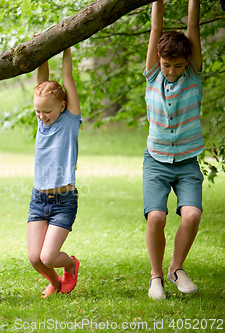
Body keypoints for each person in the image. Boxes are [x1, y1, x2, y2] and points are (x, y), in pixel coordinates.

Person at [143, 0, 204, 300]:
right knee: (156, 217)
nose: (171, 71)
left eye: (178, 65)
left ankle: (176, 269)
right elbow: (156, 27)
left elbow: (193, 28)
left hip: (187, 161)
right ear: (159, 59)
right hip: (156, 160)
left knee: (191, 215)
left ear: (188, 62)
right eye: (167, 64)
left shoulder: (192, 75)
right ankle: (156, 276)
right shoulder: (154, 74)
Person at [27, 48, 82, 298]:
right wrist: (46, 47)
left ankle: (70, 265)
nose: (42, 117)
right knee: (35, 259)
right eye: (38, 112)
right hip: (39, 200)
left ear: (62, 106)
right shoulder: (42, 121)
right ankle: (57, 282)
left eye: (47, 112)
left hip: (63, 200)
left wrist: (65, 46)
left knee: (48, 256)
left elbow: (67, 76)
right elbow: (42, 79)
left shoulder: (70, 120)